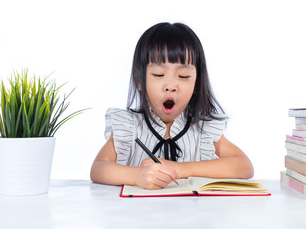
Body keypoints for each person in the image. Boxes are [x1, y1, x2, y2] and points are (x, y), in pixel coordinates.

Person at [90, 22, 254, 189]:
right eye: (158, 74)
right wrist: (137, 176)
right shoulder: (128, 126)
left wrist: (178, 169)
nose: (171, 86)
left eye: (183, 76)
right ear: (140, 80)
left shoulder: (204, 129)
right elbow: (98, 169)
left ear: (196, 83)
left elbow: (244, 166)